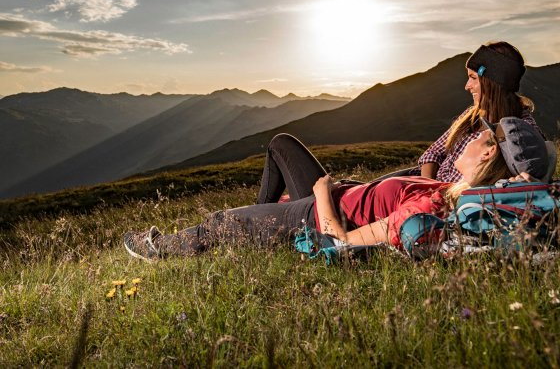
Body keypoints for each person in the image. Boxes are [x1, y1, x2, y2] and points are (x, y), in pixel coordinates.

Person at [124, 118, 549, 261]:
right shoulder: (442, 185)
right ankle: (256, 229)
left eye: (482, 136)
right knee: (280, 145)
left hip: (316, 214)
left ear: (488, 153)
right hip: (325, 197)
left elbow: (341, 242)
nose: (472, 135)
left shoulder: (432, 202)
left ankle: (161, 248)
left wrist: (324, 193)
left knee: (217, 220)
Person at [417, 41, 542, 183]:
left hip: (455, 197)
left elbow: (531, 167)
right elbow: (433, 153)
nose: (467, 86)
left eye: (473, 78)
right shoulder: (471, 114)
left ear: (493, 82)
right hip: (431, 188)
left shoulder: (521, 129)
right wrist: (427, 187)